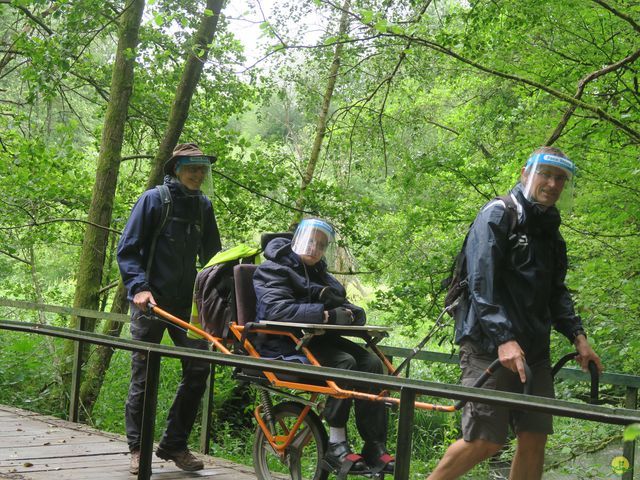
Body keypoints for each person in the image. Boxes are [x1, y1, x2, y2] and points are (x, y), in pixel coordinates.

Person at [427, 146, 603, 480]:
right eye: (545, 175)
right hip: (487, 347)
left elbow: (556, 293)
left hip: (534, 352)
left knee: (534, 438)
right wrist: (503, 339)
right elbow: (481, 282)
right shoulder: (498, 214)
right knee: (483, 441)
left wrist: (579, 339)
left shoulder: (552, 234)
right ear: (526, 174)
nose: (552, 184)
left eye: (560, 178)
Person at [253, 218, 395, 475]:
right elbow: (274, 309)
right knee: (345, 363)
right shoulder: (272, 269)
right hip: (283, 343)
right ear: (297, 239)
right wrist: (325, 315)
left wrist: (351, 316)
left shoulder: (321, 273)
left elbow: (351, 307)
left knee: (372, 363)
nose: (314, 248)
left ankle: (374, 445)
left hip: (316, 341)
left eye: (321, 244)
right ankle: (336, 443)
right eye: (310, 241)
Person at [117, 143, 222, 474]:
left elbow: (213, 261)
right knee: (144, 375)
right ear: (176, 169)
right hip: (150, 301)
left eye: (202, 168)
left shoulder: (203, 206)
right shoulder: (154, 200)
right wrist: (139, 288)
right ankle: (137, 450)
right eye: (191, 167)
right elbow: (127, 249)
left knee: (199, 367)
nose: (197, 173)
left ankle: (174, 444)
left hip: (187, 305)